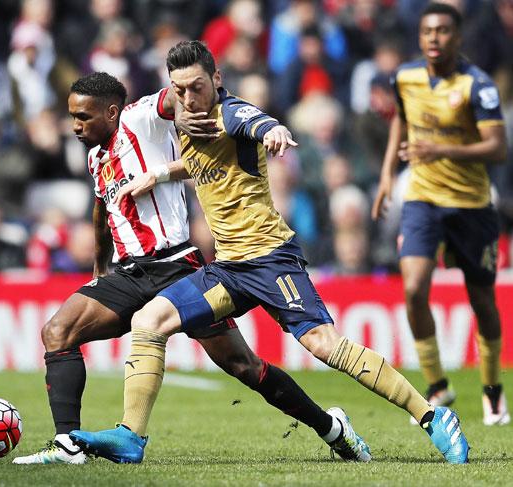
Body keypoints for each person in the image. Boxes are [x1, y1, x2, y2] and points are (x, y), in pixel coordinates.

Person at [70, 40, 469, 465]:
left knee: (323, 344)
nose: (188, 98)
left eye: (197, 87)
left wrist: (274, 131)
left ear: (217, 80)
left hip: (270, 259)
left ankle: (431, 416)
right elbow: (204, 160)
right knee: (149, 321)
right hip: (228, 269)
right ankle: (131, 437)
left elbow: (255, 122)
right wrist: (161, 173)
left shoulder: (231, 112)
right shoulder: (190, 122)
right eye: (179, 89)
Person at [12, 72, 371, 465]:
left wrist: (181, 113)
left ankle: (332, 428)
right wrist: (100, 269)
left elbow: (168, 99)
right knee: (58, 332)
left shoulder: (138, 119)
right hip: (131, 274)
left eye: (83, 116)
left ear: (111, 112)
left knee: (243, 366)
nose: (76, 125)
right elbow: (102, 209)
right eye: (72, 116)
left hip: (178, 268)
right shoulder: (95, 156)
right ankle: (67, 445)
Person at [372, 2, 510, 426]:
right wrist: (386, 175)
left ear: (458, 37)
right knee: (413, 288)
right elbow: (402, 119)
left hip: (471, 205)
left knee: (482, 300)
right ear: (420, 37)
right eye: (428, 31)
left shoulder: (477, 86)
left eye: (444, 31)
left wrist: (439, 149)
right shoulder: (406, 77)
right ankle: (437, 387)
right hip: (423, 199)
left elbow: (499, 149)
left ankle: (492, 391)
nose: (435, 38)